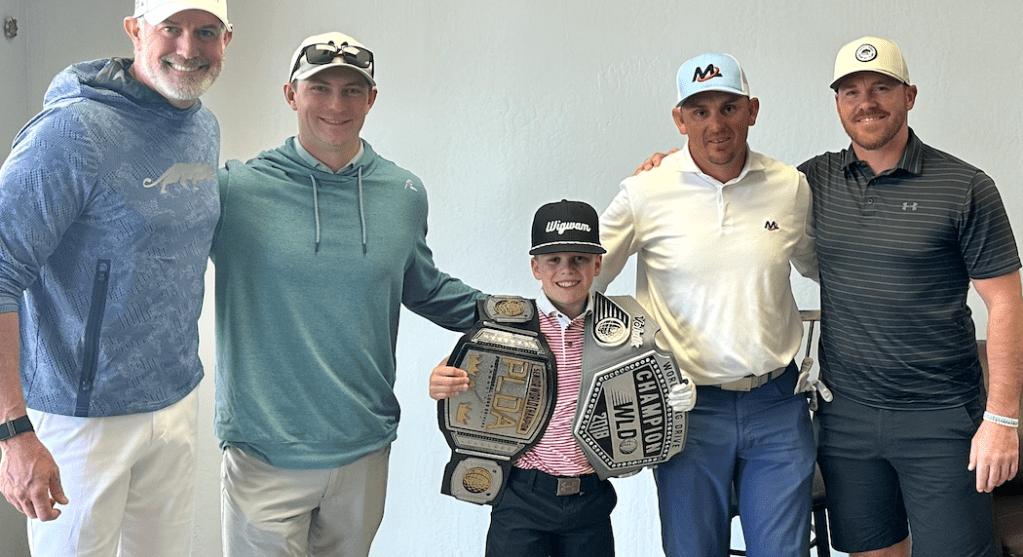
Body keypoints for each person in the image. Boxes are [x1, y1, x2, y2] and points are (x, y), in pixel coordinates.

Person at [211, 31, 485, 557]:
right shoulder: (235, 191)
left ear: (371, 99)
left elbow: (425, 287)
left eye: (351, 90)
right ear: (291, 94)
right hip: (265, 451)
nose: (336, 105)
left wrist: (528, 317)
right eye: (320, 88)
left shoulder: (403, 193)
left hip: (363, 445)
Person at [0, 0, 232, 557]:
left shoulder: (202, 127)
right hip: (79, 419)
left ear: (226, 40)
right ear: (135, 30)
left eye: (205, 31)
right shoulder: (71, 133)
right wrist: (13, 431)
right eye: (170, 28)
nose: (188, 48)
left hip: (174, 399)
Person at [799, 36, 1023, 557]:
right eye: (851, 91)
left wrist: (1003, 419)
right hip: (845, 416)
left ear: (910, 95)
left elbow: (1007, 303)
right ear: (837, 103)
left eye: (881, 87)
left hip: (941, 418)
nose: (866, 102)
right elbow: (738, 184)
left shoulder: (965, 186)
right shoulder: (810, 182)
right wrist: (672, 166)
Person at [594, 53, 819, 556]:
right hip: (687, 409)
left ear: (752, 110)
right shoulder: (645, 191)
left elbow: (826, 268)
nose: (716, 125)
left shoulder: (790, 187)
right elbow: (581, 283)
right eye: (699, 111)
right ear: (680, 120)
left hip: (777, 404)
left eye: (728, 108)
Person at [429, 199, 697, 557]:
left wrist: (676, 395)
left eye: (579, 259)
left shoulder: (626, 329)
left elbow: (650, 380)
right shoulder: (507, 327)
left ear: (597, 264)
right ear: (535, 267)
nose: (566, 270)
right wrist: (440, 379)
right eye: (553, 259)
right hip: (521, 496)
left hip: (590, 498)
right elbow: (461, 368)